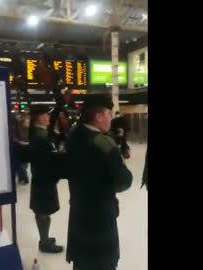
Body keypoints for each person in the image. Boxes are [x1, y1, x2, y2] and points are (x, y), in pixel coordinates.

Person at [65, 96, 133, 270]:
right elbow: (124, 181)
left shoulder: (73, 136)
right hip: (101, 217)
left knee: (82, 262)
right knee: (103, 263)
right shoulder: (104, 143)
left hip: (79, 213)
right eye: (108, 114)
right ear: (98, 117)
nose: (111, 118)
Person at [28, 105, 65, 253]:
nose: (48, 118)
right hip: (44, 181)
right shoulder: (40, 137)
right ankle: (44, 242)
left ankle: (45, 238)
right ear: (40, 117)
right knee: (43, 212)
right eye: (46, 115)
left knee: (43, 212)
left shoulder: (38, 133)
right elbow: (45, 161)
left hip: (41, 180)